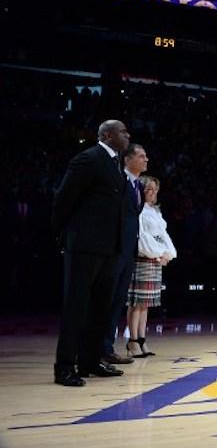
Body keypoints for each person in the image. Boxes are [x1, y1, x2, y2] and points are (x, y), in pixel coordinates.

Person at [52, 120, 131, 386]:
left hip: (109, 248)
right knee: (76, 307)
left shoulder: (115, 162)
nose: (127, 134)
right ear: (107, 135)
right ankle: (64, 366)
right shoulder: (88, 158)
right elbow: (64, 198)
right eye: (122, 131)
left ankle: (90, 360)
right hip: (85, 246)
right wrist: (65, 235)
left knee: (101, 307)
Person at [100, 143, 148, 365]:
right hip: (115, 250)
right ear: (127, 160)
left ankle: (107, 347)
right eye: (141, 156)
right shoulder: (119, 181)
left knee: (118, 300)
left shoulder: (138, 185)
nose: (146, 159)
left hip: (129, 252)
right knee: (106, 300)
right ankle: (99, 348)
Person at [126, 175, 177, 357]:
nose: (152, 193)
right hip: (143, 259)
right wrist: (157, 254)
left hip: (155, 260)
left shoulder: (155, 211)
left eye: (155, 190)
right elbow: (142, 238)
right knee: (136, 303)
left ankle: (141, 339)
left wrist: (168, 254)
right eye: (149, 189)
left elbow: (163, 235)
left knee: (145, 305)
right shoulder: (138, 210)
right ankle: (132, 341)